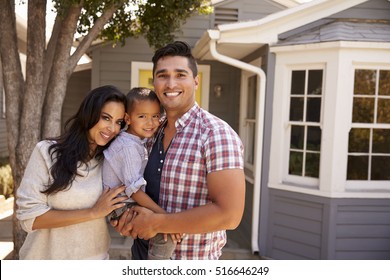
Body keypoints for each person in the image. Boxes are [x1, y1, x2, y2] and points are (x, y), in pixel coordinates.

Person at [114, 41, 246, 260]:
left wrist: (157, 223)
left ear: (195, 81)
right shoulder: (150, 130)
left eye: (180, 74)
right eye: (163, 75)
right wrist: (125, 221)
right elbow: (128, 180)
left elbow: (229, 215)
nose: (170, 83)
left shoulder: (215, 134)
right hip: (140, 254)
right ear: (154, 82)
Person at [16, 85, 128, 260]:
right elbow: (28, 218)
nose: (113, 128)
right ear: (89, 114)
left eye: (119, 122)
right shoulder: (46, 153)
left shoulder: (110, 162)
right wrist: (93, 212)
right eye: (106, 118)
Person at [102, 87, 177, 260]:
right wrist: (163, 217)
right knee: (165, 235)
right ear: (128, 118)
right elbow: (134, 190)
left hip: (127, 201)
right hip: (121, 206)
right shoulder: (127, 147)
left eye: (155, 116)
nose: (150, 123)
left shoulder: (136, 139)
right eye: (142, 116)